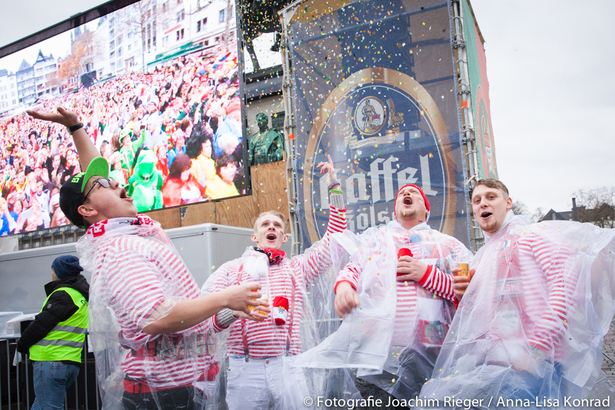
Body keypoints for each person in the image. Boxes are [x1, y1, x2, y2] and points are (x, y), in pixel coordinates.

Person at [27, 107, 266, 410]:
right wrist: (225, 298)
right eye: (105, 185)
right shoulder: (120, 250)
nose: (118, 184)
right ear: (88, 212)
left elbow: (185, 326)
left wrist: (76, 127)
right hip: (166, 399)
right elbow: (159, 318)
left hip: (177, 391)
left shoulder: (126, 234)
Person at [421, 179, 615, 406]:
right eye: (477, 200)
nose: (483, 203)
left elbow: (565, 286)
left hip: (538, 366)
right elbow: (483, 315)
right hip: (500, 366)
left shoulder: (533, 236)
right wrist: (464, 294)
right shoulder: (484, 255)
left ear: (508, 202)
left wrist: (536, 349)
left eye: (491, 197)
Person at [296, 184, 472, 403]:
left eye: (414, 193)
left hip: (433, 362)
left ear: (426, 212)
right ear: (394, 212)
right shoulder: (376, 241)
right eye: (401, 195)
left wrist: (426, 274)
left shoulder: (449, 245)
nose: (407, 194)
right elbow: (353, 268)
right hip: (378, 362)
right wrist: (344, 287)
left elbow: (467, 293)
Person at [203, 155, 347, 410]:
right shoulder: (231, 270)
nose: (272, 227)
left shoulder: (298, 268)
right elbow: (209, 322)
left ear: (284, 236)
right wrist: (233, 312)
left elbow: (336, 237)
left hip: (288, 366)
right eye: (265, 224)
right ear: (255, 236)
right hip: (244, 368)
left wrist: (334, 186)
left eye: (277, 225)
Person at [17, 255, 89, 410]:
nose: (51, 273)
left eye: (53, 269)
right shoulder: (79, 296)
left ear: (60, 272)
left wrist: (21, 345)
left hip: (51, 360)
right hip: (68, 362)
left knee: (48, 407)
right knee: (41, 406)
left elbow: (41, 325)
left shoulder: (63, 294)